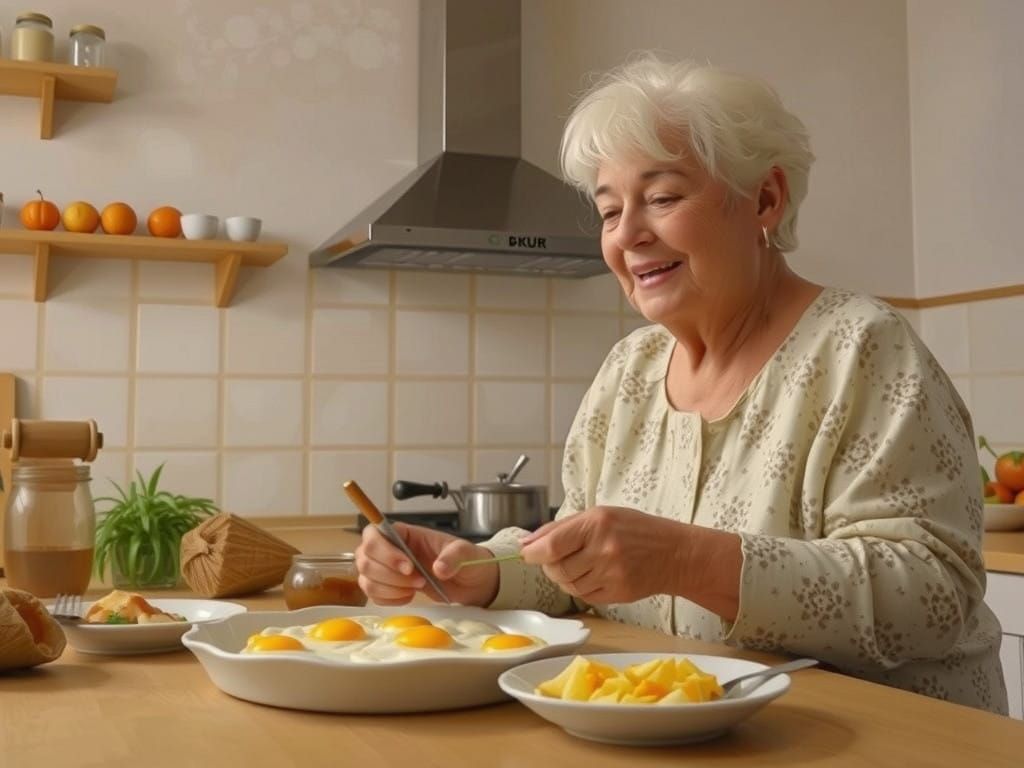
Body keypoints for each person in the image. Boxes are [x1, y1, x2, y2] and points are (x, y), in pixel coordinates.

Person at [355, 54, 1007, 714]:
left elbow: (933, 593)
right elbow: (574, 573)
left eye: (663, 198)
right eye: (610, 212)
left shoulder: (861, 348)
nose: (629, 236)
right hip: (679, 740)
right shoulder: (628, 372)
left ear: (766, 199)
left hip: (883, 740)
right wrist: (475, 571)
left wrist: (690, 560)